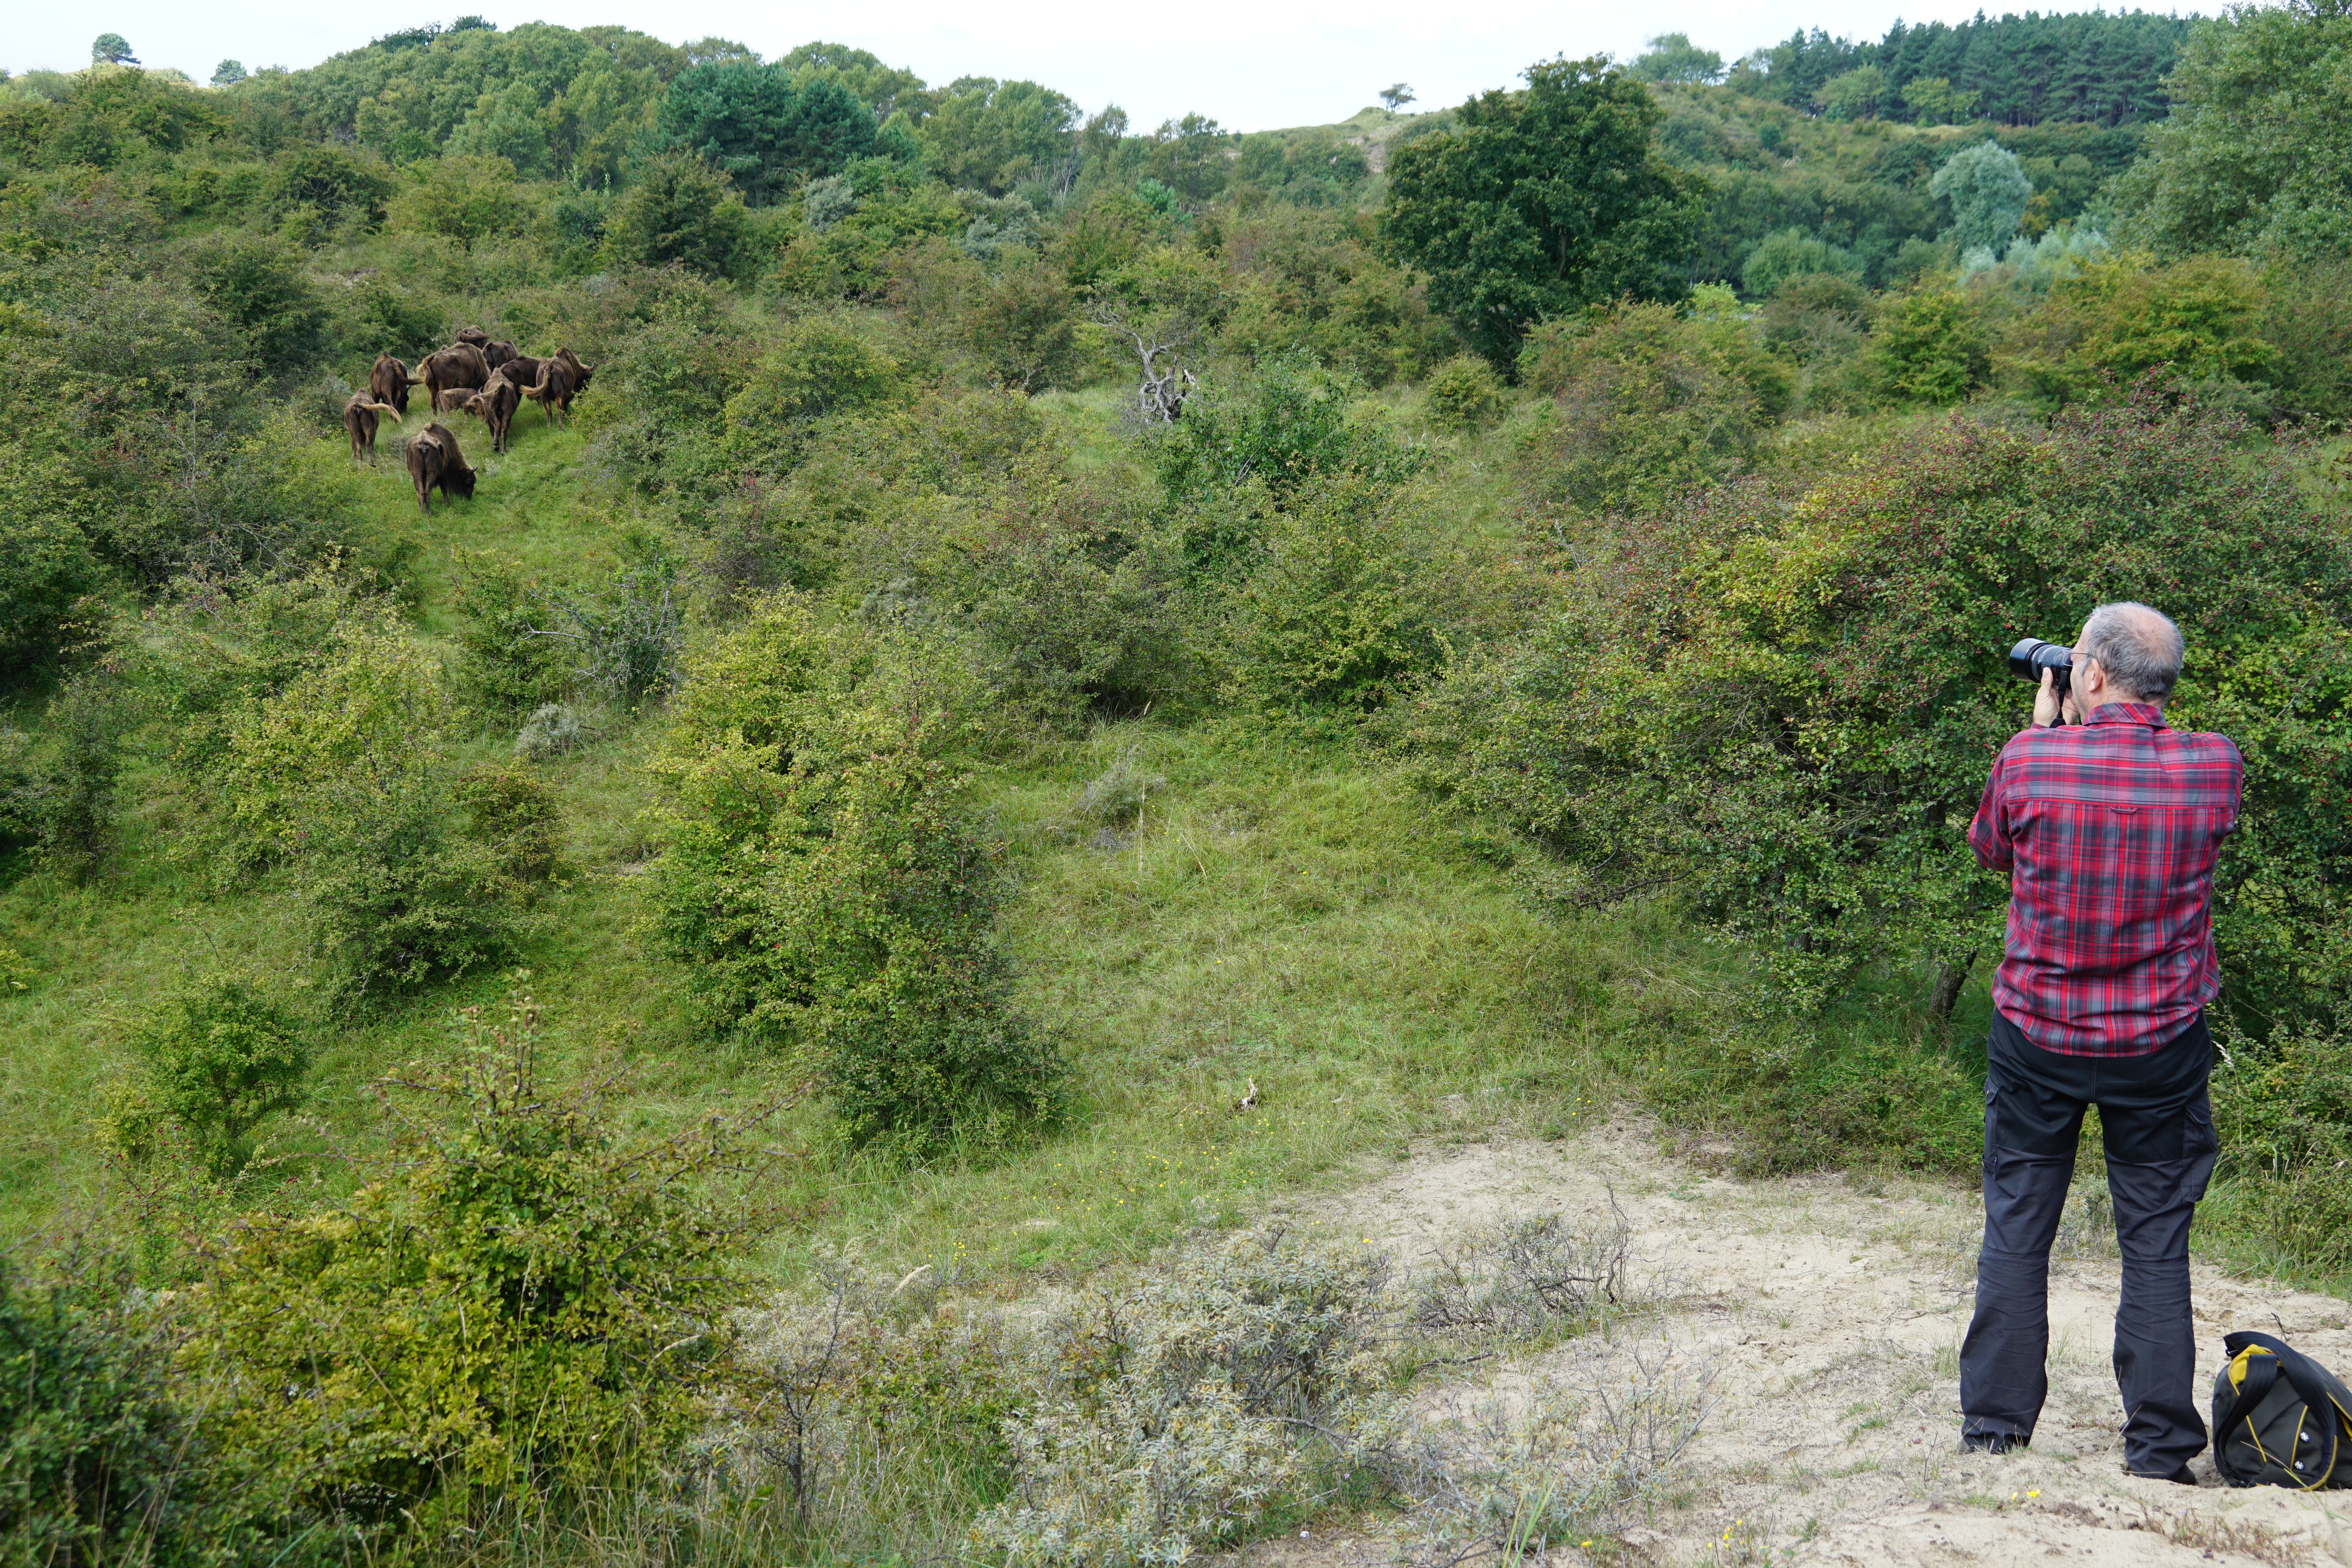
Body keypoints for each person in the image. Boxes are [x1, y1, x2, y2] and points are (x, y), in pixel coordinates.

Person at [1959, 601, 2243, 1481]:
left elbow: (1991, 851)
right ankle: (2159, 1447)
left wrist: (2042, 732)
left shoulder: (2030, 757)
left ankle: (1996, 1432)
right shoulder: (2215, 763)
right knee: (2155, 1238)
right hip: (2159, 1041)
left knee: (2017, 1223)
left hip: (2039, 1032)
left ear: (2085, 674)